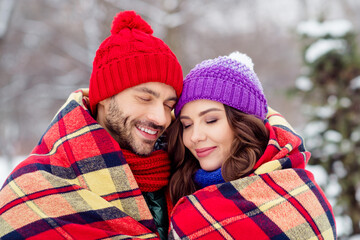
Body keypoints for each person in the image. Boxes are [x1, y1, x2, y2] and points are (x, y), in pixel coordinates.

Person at [0, 11, 183, 240]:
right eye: (144, 98)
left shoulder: (182, 176)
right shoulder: (33, 186)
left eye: (168, 105)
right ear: (105, 97)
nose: (161, 118)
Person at [167, 52, 336, 239]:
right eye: (187, 125)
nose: (195, 137)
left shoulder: (298, 192)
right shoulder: (178, 188)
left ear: (244, 124)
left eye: (211, 120)